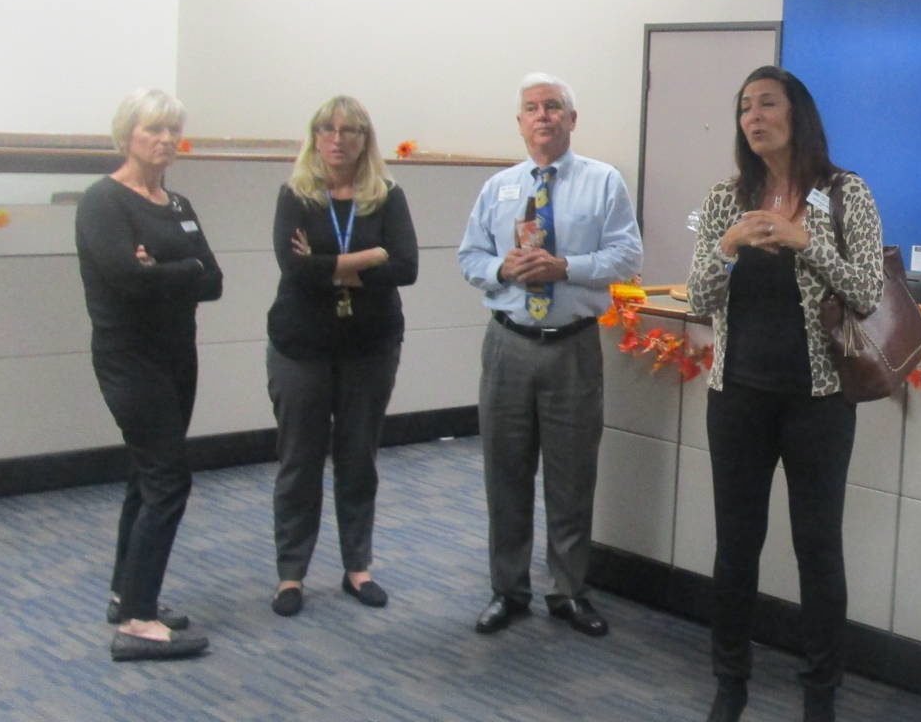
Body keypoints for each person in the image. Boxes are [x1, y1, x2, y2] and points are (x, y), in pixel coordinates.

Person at [686, 66, 885, 722]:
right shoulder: (726, 197)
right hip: (737, 396)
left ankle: (820, 695)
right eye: (745, 107)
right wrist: (726, 247)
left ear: (797, 113)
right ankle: (730, 682)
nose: (753, 116)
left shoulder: (842, 191)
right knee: (735, 545)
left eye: (767, 104)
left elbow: (867, 293)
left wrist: (805, 244)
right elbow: (697, 300)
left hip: (818, 401)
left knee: (818, 548)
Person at [457, 72, 641, 639]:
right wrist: (500, 269)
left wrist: (566, 268)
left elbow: (628, 255)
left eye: (554, 107)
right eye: (532, 108)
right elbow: (469, 258)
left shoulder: (603, 182)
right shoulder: (498, 187)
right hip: (508, 344)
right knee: (505, 475)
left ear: (571, 119)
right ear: (520, 122)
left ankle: (568, 592)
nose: (543, 116)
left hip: (572, 348)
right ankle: (507, 590)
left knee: (571, 477)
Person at [74, 88, 222, 662]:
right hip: (128, 359)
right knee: (168, 481)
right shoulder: (102, 202)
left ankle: (127, 593)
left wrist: (165, 267)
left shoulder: (177, 204)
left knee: (145, 475)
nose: (164, 140)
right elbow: (123, 281)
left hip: (176, 357)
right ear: (126, 135)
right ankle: (137, 622)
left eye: (171, 130)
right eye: (151, 129)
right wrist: (179, 272)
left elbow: (214, 280)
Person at [264, 95, 419, 617]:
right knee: (299, 461)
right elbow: (294, 268)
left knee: (358, 460)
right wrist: (366, 258)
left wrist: (328, 263)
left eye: (350, 130)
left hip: (370, 348)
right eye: (327, 129)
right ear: (314, 136)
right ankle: (291, 575)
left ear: (364, 139)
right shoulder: (296, 195)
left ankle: (358, 568)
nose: (337, 139)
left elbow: (407, 267)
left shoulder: (386, 197)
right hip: (301, 347)